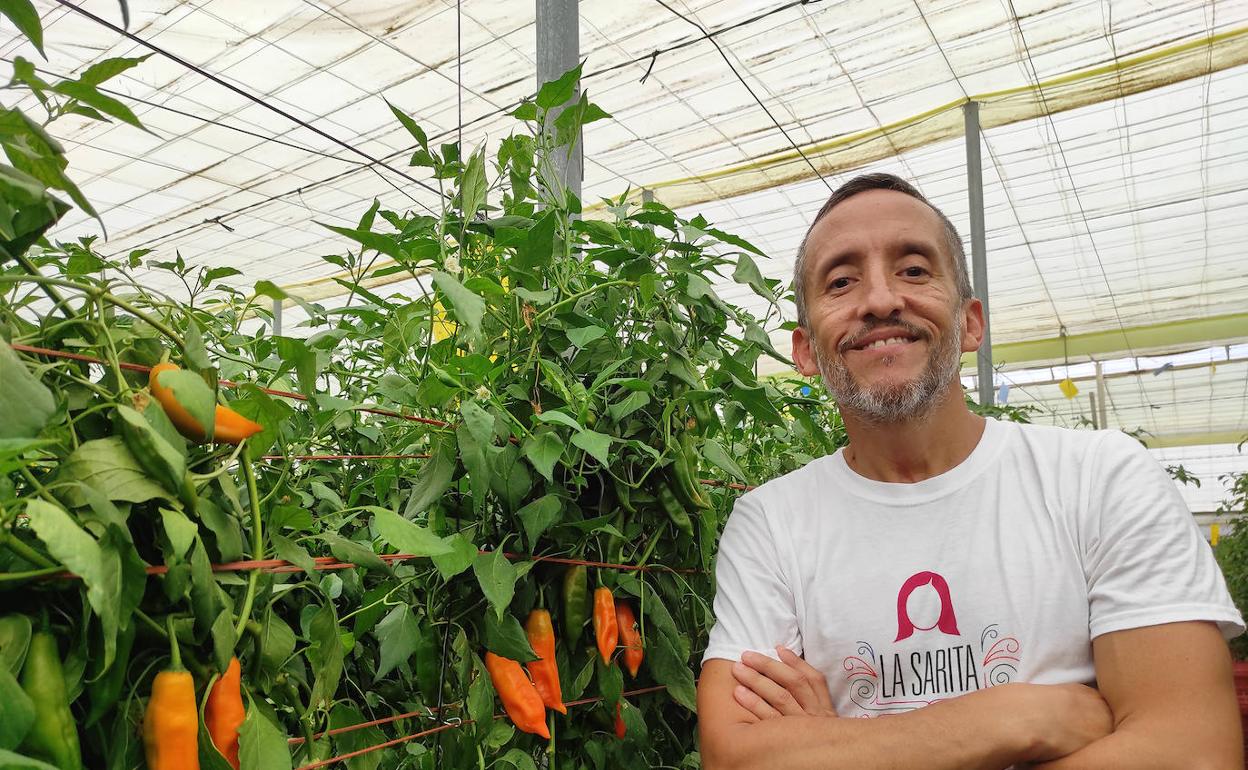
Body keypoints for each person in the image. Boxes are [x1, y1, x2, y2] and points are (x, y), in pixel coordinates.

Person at [696, 173, 1244, 769]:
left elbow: (1192, 754)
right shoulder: (771, 522)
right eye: (841, 281)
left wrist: (840, 748)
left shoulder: (1100, 477)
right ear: (804, 350)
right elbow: (735, 758)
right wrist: (1014, 719)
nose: (880, 300)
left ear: (971, 324)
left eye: (913, 270)